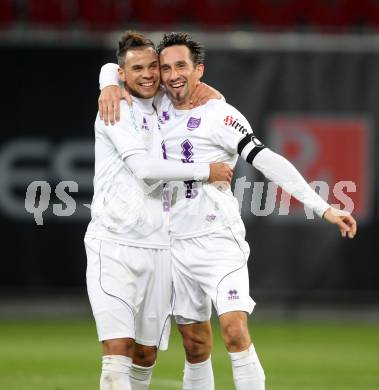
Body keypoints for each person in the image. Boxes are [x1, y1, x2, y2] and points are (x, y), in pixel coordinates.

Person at [99, 32, 357, 390]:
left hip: (218, 239)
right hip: (172, 244)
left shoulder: (220, 114)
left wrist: (322, 206)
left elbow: (267, 159)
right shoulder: (154, 104)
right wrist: (107, 84)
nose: (172, 74)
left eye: (182, 66)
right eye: (166, 67)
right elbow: (120, 67)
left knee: (234, 331)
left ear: (198, 70)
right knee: (195, 344)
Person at [84, 31, 232, 390]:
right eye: (138, 69)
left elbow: (192, 88)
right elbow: (146, 171)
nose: (149, 74)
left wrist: (215, 95)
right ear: (123, 75)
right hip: (113, 244)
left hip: (159, 248)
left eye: (154, 66)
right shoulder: (114, 109)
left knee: (146, 353)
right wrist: (206, 171)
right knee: (117, 349)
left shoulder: (164, 103)